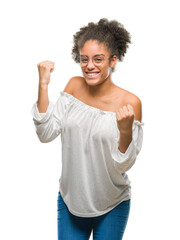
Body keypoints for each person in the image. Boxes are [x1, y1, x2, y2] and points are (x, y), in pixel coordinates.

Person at [31, 18, 144, 240]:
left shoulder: (130, 102)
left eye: (98, 59)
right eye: (84, 59)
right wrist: (43, 85)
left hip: (112, 203)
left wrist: (125, 131)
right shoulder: (73, 86)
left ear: (113, 60)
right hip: (71, 200)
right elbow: (46, 134)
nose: (89, 66)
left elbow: (124, 163)